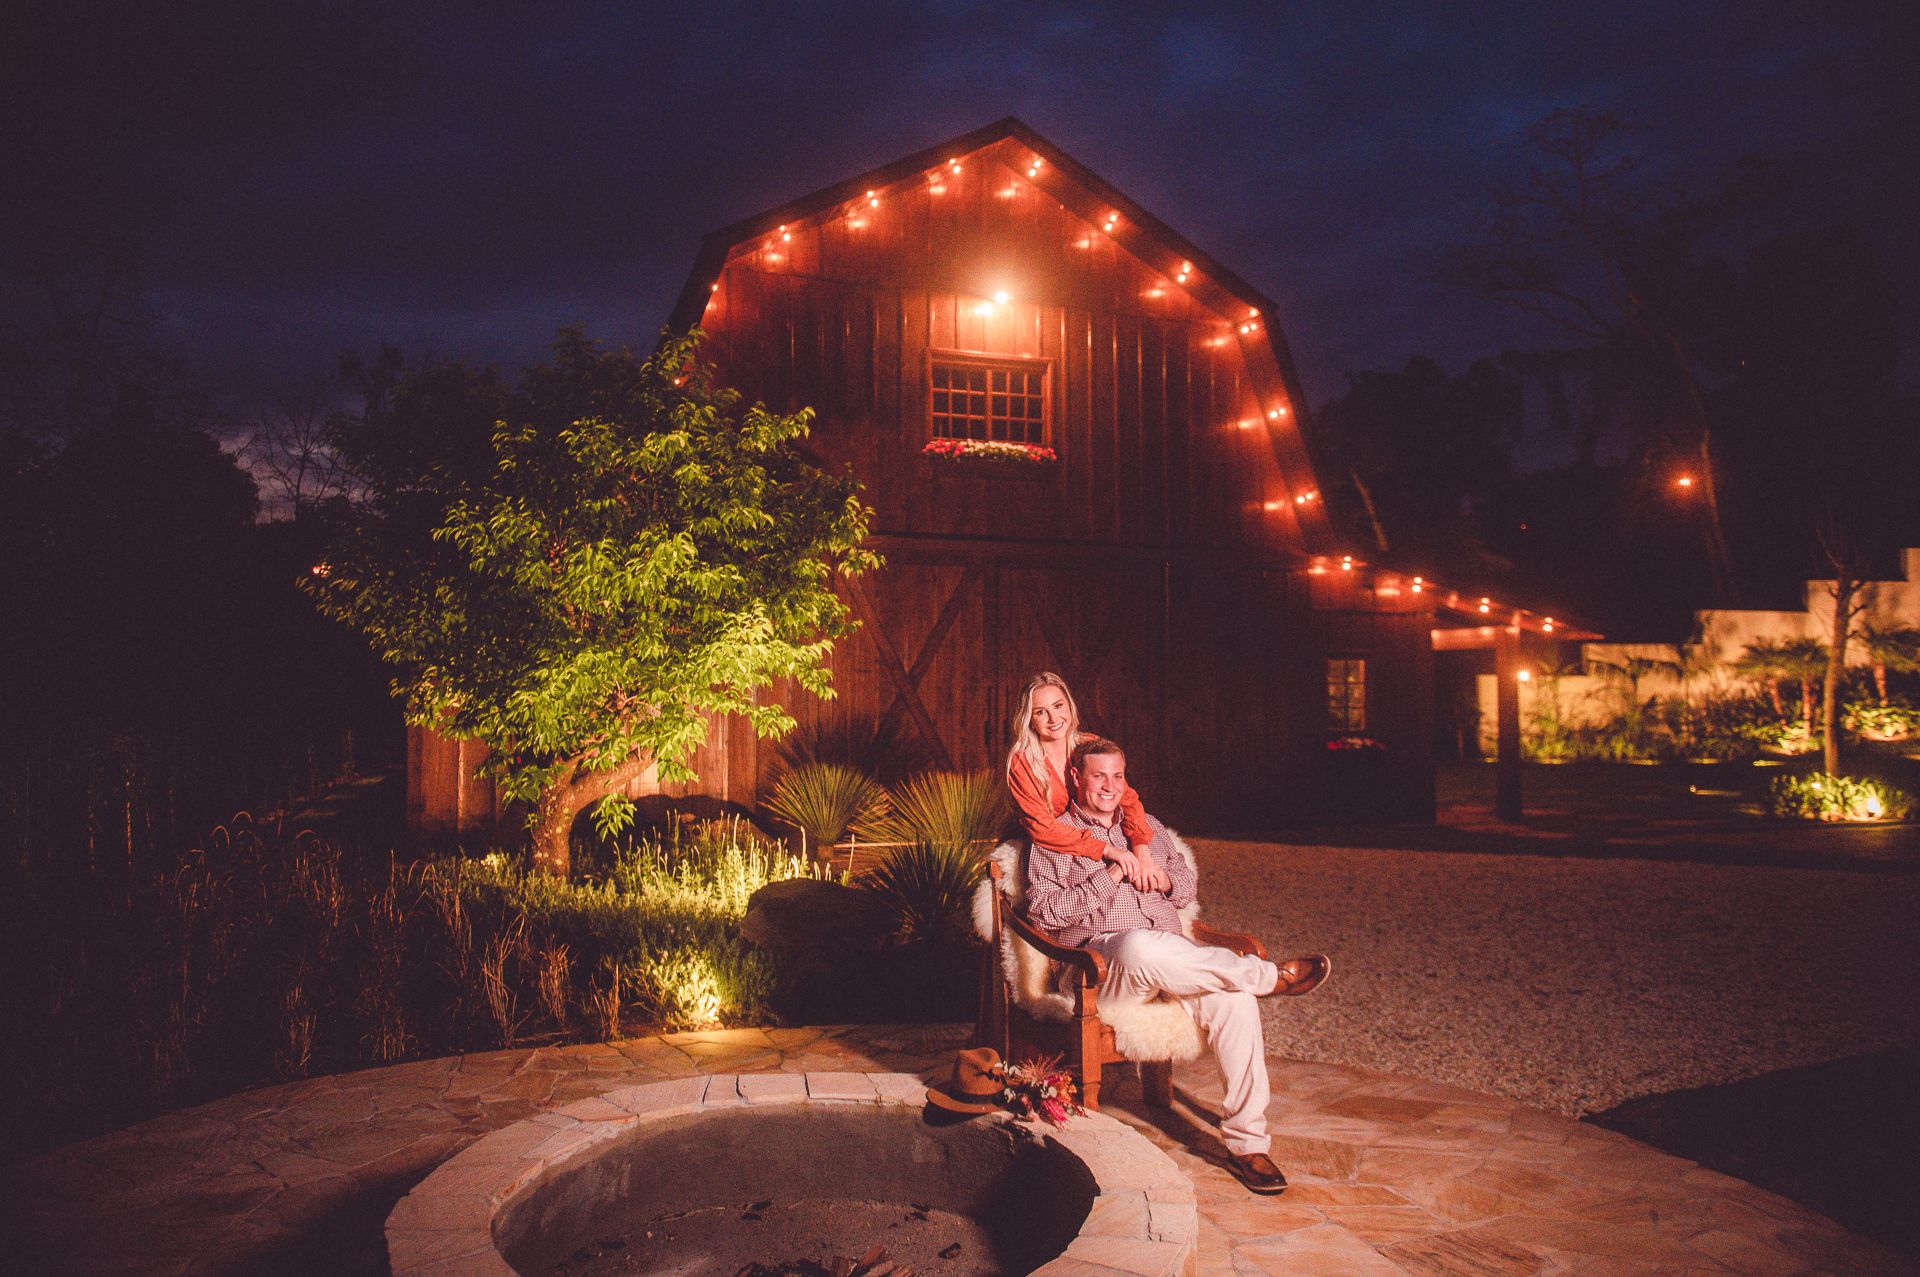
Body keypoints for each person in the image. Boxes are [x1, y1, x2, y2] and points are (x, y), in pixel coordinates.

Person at [1023, 735, 1331, 1195]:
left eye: (1117, 776)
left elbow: (1185, 889)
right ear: (1076, 778)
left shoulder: (1147, 827)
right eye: (1098, 775)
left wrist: (1162, 876)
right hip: (1102, 969)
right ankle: (1267, 976)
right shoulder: (1057, 839)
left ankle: (1249, 1145)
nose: (1109, 786)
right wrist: (1113, 875)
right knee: (1142, 947)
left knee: (1236, 1002)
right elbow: (1045, 916)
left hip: (1175, 962)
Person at [1005, 672, 1167, 892]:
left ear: (1069, 706)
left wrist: (1141, 849)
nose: (1054, 719)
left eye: (1058, 706)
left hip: (1101, 834)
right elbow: (1042, 829)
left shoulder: (1090, 744)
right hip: (1052, 852)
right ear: (1030, 720)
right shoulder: (1022, 762)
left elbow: (1126, 798)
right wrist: (1106, 849)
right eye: (1041, 712)